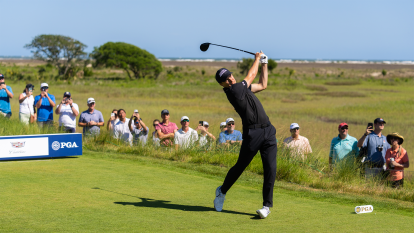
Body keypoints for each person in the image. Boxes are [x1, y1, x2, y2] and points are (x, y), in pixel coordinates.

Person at [213, 51, 277, 219]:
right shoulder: (233, 91)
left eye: (230, 75)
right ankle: (222, 191)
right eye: (226, 79)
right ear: (222, 84)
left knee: (270, 168)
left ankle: (266, 206)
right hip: (253, 133)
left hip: (268, 130)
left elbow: (262, 84)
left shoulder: (242, 87)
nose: (230, 79)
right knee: (240, 166)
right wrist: (257, 58)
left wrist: (264, 63)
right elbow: (251, 74)